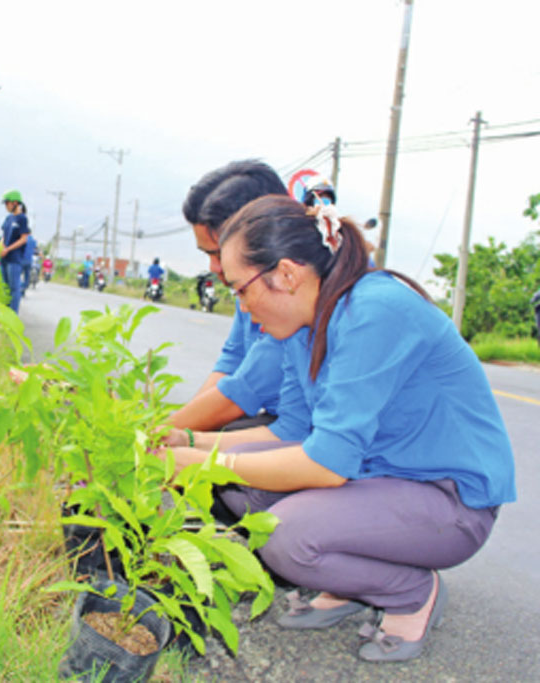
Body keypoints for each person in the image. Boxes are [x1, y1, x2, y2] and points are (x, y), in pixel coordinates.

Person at [163, 195, 516, 663]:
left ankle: (411, 593)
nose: (243, 308)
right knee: (246, 494)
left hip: (449, 501)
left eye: (241, 289)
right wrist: (185, 442)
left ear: (286, 274)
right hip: (381, 481)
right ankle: (349, 585)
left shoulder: (373, 311)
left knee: (285, 535)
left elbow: (326, 464)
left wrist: (197, 461)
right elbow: (290, 433)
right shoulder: (306, 323)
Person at [172, 160, 289, 432]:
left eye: (219, 253)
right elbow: (232, 362)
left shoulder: (296, 295)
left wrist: (150, 436)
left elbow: (241, 392)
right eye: (207, 255)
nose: (214, 268)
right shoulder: (250, 282)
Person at [0, 190, 29, 312]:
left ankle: (12, 315)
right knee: (5, 288)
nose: (6, 206)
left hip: (14, 258)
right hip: (4, 258)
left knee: (14, 289)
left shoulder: (22, 219)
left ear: (15, 203)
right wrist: (1, 247)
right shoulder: (8, 219)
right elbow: (3, 236)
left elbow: (23, 239)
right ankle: (4, 315)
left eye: (7, 203)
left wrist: (8, 249)